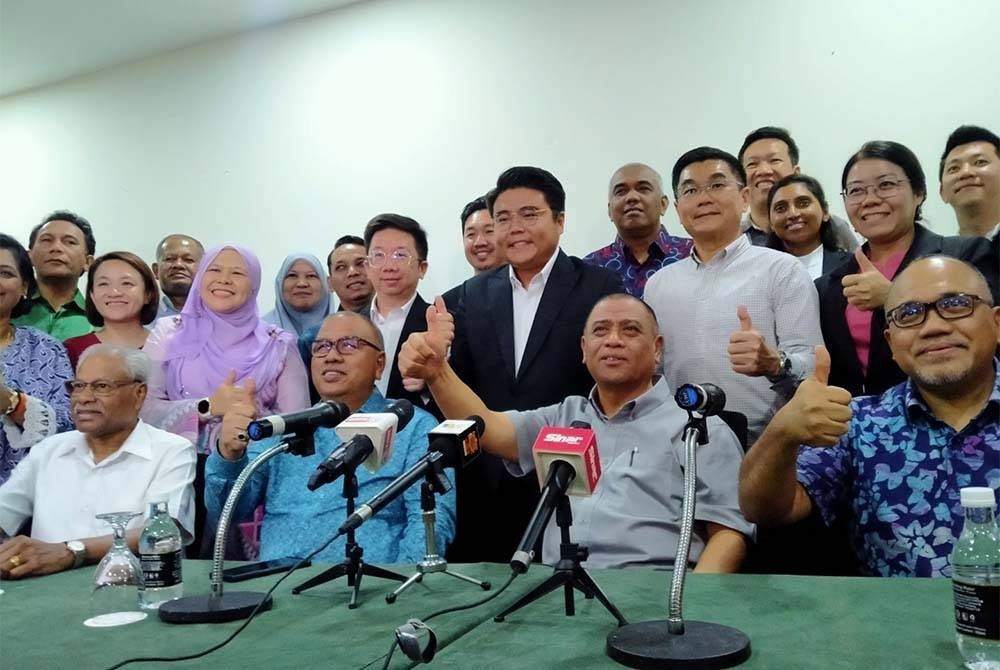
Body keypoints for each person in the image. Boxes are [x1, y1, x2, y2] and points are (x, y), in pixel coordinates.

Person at [400, 293, 752, 570]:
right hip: (558, 589)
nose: (613, 340)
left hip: (651, 592)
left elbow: (728, 535)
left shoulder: (697, 428)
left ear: (657, 348)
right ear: (584, 350)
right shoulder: (565, 416)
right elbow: (489, 429)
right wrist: (437, 372)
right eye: (600, 331)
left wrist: (689, 615)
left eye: (630, 330)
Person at [739, 256, 999, 578]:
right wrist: (782, 433)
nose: (933, 327)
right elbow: (764, 509)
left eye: (956, 304)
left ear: (996, 323)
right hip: (893, 623)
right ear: (890, 342)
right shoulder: (860, 422)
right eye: (909, 314)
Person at [441, 166, 624, 563]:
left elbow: (611, 381)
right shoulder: (473, 294)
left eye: (529, 214)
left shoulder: (599, 287)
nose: (515, 228)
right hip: (487, 479)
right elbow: (465, 385)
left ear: (560, 221)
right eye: (503, 218)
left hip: (568, 474)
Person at [206, 311, 454, 563]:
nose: (331, 356)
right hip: (278, 588)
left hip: (369, 589)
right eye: (321, 347)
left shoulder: (413, 427)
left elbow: (430, 522)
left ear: (379, 364)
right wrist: (229, 455)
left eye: (348, 345)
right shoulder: (287, 427)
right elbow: (229, 512)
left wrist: (398, 590)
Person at [644, 147, 822, 442]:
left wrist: (774, 363)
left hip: (764, 446)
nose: (703, 198)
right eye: (690, 190)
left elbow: (813, 363)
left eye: (716, 184)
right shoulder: (659, 285)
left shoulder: (781, 270)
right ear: (677, 209)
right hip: (678, 444)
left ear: (744, 197)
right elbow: (655, 372)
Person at [816, 140, 998, 398]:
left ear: (919, 193)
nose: (869, 200)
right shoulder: (827, 285)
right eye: (856, 191)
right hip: (860, 426)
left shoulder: (965, 255)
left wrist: (892, 298)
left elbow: (989, 339)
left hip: (950, 412)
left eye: (886, 185)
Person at [0, 344, 195, 579]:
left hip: (130, 591)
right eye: (78, 386)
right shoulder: (48, 450)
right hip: (42, 592)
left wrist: (70, 552)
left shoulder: (171, 451)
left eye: (101, 387)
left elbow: (160, 532)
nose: (84, 398)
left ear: (139, 394)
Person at [141, 244, 310, 452]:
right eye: (214, 270)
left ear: (254, 285)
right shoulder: (168, 333)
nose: (224, 279)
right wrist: (208, 406)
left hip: (253, 469)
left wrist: (250, 425)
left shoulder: (278, 344)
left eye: (238, 273)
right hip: (173, 466)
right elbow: (143, 408)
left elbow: (297, 425)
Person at [0, 234, 73, 485]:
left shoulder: (46, 349)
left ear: (24, 288)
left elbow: (69, 427)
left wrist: (13, 404)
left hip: (26, 499)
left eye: (5, 273)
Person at [738, 127, 858, 251]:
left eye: (774, 160)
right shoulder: (734, 237)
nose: (763, 170)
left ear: (796, 173)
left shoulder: (833, 227)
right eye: (752, 164)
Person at [584, 163, 693, 297]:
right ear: (610, 211)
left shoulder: (693, 254)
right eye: (621, 191)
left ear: (663, 204)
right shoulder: (589, 268)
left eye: (643, 189)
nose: (632, 197)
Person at [363, 214, 436, 412]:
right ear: (367, 267)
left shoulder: (441, 323)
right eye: (379, 255)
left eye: (400, 255)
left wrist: (432, 383)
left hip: (418, 434)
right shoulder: (351, 325)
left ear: (422, 268)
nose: (389, 266)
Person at [63, 251, 160, 369]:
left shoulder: (166, 347)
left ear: (148, 294)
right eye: (103, 284)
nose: (114, 292)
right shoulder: (72, 350)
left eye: (126, 283)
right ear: (92, 295)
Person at [13, 210, 96, 340]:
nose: (56, 248)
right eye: (46, 240)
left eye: (70, 242)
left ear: (87, 262)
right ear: (29, 257)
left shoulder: (100, 321)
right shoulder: (8, 311)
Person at [765, 174, 851, 279]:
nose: (793, 214)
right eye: (781, 208)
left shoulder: (851, 266)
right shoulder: (760, 272)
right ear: (770, 222)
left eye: (803, 204)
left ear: (825, 211)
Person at [939, 125, 1000, 239]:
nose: (965, 172)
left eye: (980, 162)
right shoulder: (938, 255)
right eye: (954, 168)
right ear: (942, 193)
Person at [262, 253, 335, 337]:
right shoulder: (260, 332)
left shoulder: (347, 328)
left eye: (311, 276)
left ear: (325, 284)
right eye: (292, 275)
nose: (301, 283)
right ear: (280, 284)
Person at [153, 234, 204, 319]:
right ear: (156, 270)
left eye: (188, 260)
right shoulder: (141, 318)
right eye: (169, 259)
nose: (178, 265)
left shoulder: (220, 315)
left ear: (203, 269)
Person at [326, 235, 373, 314]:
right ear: (330, 283)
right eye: (341, 267)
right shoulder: (325, 326)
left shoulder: (399, 321)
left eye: (360, 263)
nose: (352, 272)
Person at [460, 194, 505, 274]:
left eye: (489, 231)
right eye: (471, 234)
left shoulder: (527, 286)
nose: (480, 242)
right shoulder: (463, 287)